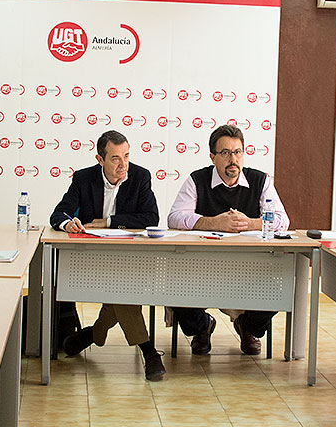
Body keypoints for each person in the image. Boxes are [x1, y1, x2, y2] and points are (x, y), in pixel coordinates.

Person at [50, 131, 165, 380]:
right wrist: (68, 224)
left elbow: (150, 217)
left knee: (121, 288)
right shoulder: (83, 179)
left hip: (129, 260)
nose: (123, 165)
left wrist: (109, 222)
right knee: (122, 290)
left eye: (126, 156)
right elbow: (58, 214)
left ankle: (96, 334)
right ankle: (148, 351)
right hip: (93, 260)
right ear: (100, 159)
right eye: (115, 158)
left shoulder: (140, 176)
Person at [167, 124, 290, 355]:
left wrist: (250, 223)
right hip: (202, 265)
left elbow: (283, 221)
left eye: (238, 152)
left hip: (251, 266)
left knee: (278, 289)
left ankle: (247, 327)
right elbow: (174, 218)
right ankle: (203, 327)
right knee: (175, 289)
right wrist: (213, 222)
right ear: (212, 156)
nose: (233, 159)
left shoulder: (260, 181)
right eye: (225, 153)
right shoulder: (197, 180)